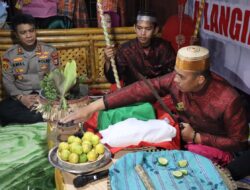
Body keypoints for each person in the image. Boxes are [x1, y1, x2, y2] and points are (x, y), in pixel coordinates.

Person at [61, 45, 249, 164]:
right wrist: (91, 107)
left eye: (180, 76)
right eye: (175, 73)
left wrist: (197, 137)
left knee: (181, 157)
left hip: (209, 146)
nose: (174, 80)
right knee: (134, 119)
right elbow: (142, 89)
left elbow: (239, 143)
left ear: (200, 80)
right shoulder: (178, 81)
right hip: (180, 129)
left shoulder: (227, 99)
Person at [0, 14, 60, 126]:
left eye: (31, 31)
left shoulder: (49, 51)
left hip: (46, 96)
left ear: (35, 31)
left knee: (65, 101)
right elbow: (7, 81)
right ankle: (44, 116)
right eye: (23, 33)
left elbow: (56, 75)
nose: (29, 36)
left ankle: (39, 114)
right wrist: (22, 98)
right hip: (22, 98)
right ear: (16, 35)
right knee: (3, 110)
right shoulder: (9, 55)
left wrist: (43, 97)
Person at [104, 10, 176, 86]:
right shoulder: (125, 50)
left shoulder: (164, 47)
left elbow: (172, 76)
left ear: (155, 30)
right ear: (135, 28)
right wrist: (108, 60)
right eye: (139, 28)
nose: (143, 33)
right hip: (133, 94)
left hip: (158, 93)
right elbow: (113, 79)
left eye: (148, 29)